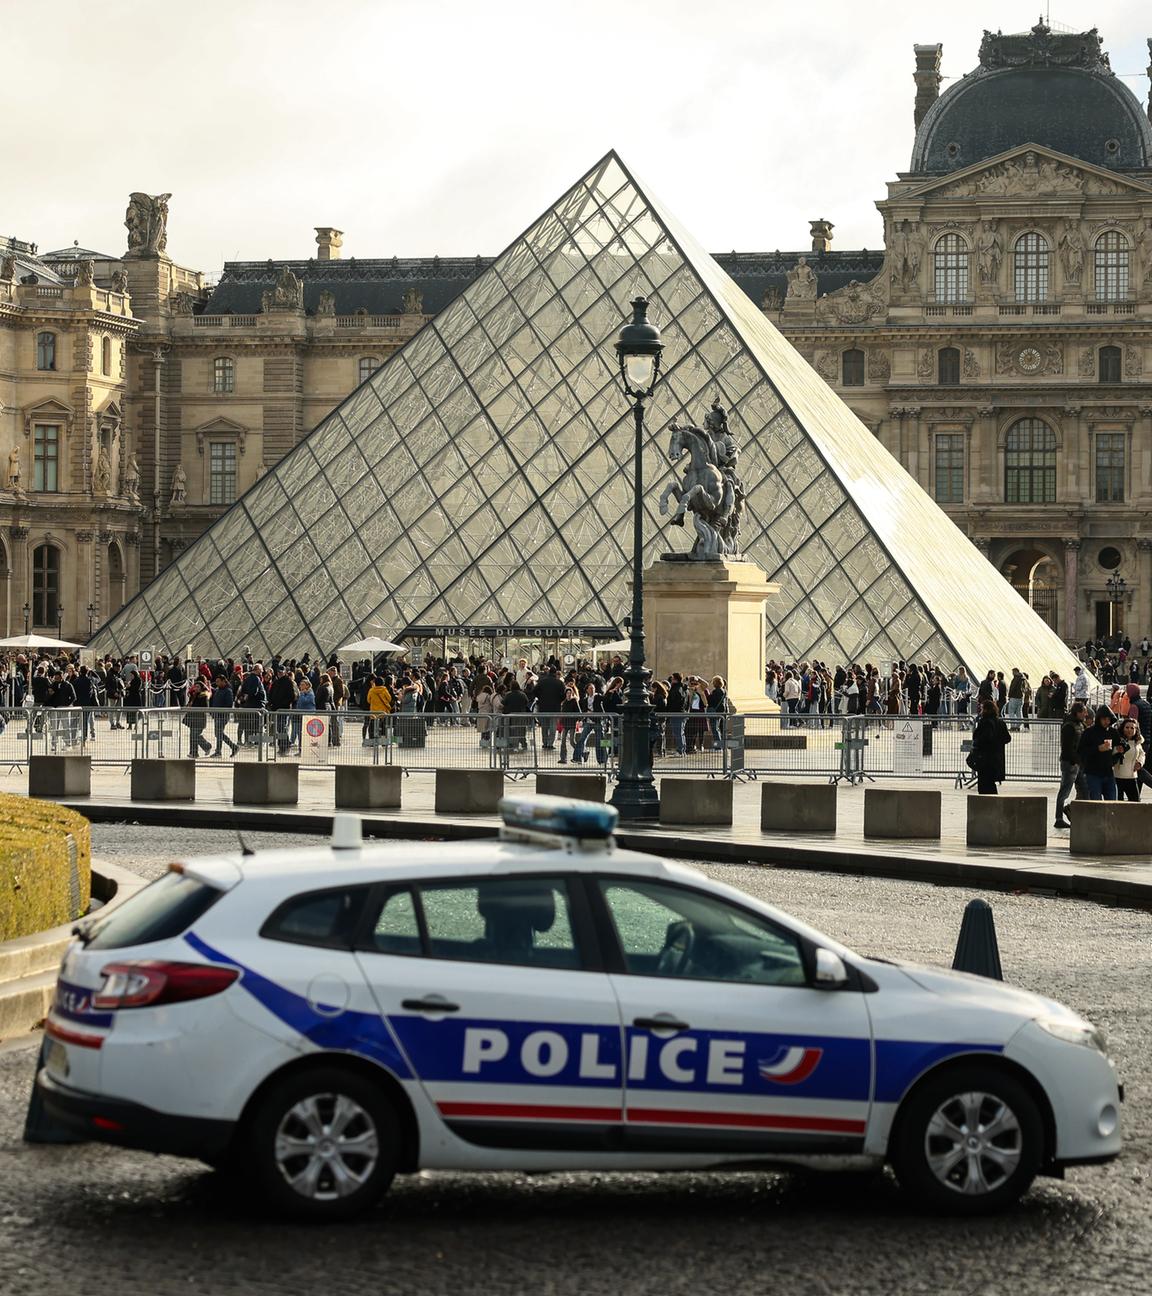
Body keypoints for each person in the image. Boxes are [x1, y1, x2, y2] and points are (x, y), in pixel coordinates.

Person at [1053, 701, 1088, 829]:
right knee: (1065, 791)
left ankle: (1069, 810)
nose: (1086, 714)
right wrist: (1076, 759)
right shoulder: (1070, 726)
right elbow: (1067, 747)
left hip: (1076, 762)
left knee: (1084, 790)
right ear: (1078, 712)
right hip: (1070, 763)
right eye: (1084, 711)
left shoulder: (1078, 724)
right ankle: (1058, 818)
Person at [1078, 706, 1121, 801]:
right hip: (1093, 773)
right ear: (1099, 719)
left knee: (1112, 802)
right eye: (1104, 719)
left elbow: (1121, 745)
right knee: (1096, 803)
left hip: (1108, 772)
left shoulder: (1113, 732)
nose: (1107, 721)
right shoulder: (1089, 732)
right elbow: (1081, 751)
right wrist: (1097, 749)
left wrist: (1119, 751)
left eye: (1108, 719)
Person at [969, 698, 1010, 795]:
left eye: (982, 709)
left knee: (984, 786)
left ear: (986, 710)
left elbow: (983, 739)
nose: (981, 711)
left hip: (985, 759)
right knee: (991, 785)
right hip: (996, 758)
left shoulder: (985, 722)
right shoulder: (1000, 722)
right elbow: (1007, 738)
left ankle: (987, 808)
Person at [1112, 715, 1144, 802]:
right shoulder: (1117, 740)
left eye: (1132, 728)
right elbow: (1111, 755)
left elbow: (1142, 754)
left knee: (1135, 802)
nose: (1129, 730)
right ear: (1123, 728)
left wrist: (1140, 763)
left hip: (1132, 776)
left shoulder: (1137, 742)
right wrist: (1118, 751)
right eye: (1127, 727)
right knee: (1118, 804)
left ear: (1136, 730)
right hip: (1118, 777)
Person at [209, 675, 237, 757]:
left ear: (223, 681)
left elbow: (229, 704)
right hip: (217, 715)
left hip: (223, 715)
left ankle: (219, 751)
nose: (217, 683)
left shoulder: (228, 691)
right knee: (218, 733)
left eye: (218, 681)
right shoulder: (218, 690)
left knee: (218, 733)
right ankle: (232, 747)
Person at [184, 681, 212, 757]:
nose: (196, 688)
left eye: (198, 687)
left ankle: (207, 746)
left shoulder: (203, 696)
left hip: (199, 719)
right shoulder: (194, 695)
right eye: (195, 687)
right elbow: (189, 704)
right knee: (192, 736)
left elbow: (205, 707)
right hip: (192, 719)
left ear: (201, 688)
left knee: (195, 735)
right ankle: (193, 753)